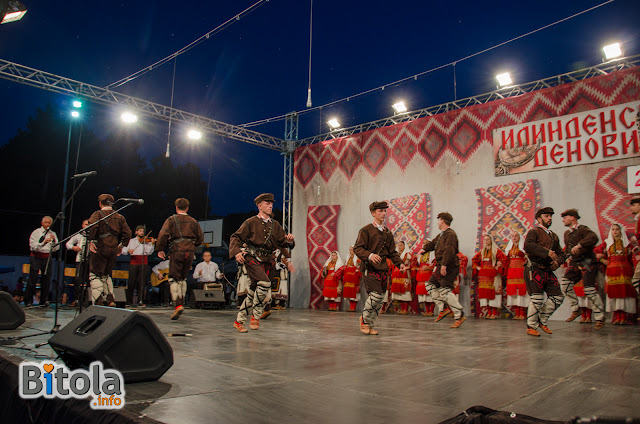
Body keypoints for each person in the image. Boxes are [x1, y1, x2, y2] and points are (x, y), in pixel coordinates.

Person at [230, 193, 295, 333]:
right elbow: (235, 237)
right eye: (267, 203)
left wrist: (289, 240)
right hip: (253, 259)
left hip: (268, 262)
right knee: (265, 283)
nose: (270, 206)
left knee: (253, 292)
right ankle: (255, 316)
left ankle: (238, 321)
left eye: (271, 204)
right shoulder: (251, 222)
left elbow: (282, 243)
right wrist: (236, 252)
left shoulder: (275, 225)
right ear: (259, 206)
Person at [354, 201, 407, 335]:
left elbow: (392, 252)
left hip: (383, 269)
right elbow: (357, 248)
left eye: (384, 211)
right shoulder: (366, 230)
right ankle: (364, 320)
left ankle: (370, 325)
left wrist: (399, 263)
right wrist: (370, 255)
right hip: (369, 268)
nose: (383, 213)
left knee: (380, 299)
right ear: (373, 213)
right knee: (376, 295)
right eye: (380, 211)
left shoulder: (387, 232)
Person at [156, 198, 204, 320]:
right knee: (183, 277)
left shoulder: (172, 219)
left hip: (177, 250)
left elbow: (163, 234)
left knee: (173, 278)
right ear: (187, 208)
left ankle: (177, 304)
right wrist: (193, 246)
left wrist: (160, 249)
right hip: (190, 251)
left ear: (176, 207)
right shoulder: (193, 221)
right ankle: (181, 301)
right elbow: (200, 238)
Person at [523, 207, 565, 337]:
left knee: (558, 296)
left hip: (547, 270)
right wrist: (546, 252)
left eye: (550, 216)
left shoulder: (553, 236)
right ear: (539, 218)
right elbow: (528, 245)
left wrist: (558, 262)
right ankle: (531, 326)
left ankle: (542, 320)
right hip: (534, 268)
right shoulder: (534, 232)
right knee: (537, 299)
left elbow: (562, 253)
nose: (550, 218)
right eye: (547, 216)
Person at [560, 208, 604, 329]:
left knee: (589, 290)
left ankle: (599, 317)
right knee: (565, 284)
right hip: (575, 263)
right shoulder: (567, 234)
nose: (563, 220)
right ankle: (576, 309)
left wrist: (580, 245)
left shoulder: (583, 229)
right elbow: (568, 250)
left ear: (573, 218)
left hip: (587, 262)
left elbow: (593, 238)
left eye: (565, 217)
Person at [420, 212, 466, 328]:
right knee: (430, 285)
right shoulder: (442, 235)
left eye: (439, 220)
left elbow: (449, 250)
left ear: (443, 221)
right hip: (441, 265)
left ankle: (459, 315)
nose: (438, 222)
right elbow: (432, 244)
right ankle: (443, 308)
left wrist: (444, 265)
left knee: (445, 290)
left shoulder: (450, 234)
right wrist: (424, 250)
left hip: (449, 266)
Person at [88, 194, 132, 307]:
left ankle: (98, 301)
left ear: (100, 203)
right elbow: (128, 233)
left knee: (95, 274)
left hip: (101, 247)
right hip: (113, 248)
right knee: (106, 275)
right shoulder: (119, 217)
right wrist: (121, 246)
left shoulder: (98, 214)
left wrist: (90, 241)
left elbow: (92, 227)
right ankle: (110, 299)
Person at [598, 223, 636, 324]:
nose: (615, 231)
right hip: (612, 272)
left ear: (621, 231)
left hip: (625, 272)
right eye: (613, 229)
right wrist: (603, 260)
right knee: (614, 293)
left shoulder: (627, 244)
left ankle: (623, 317)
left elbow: (634, 255)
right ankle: (616, 317)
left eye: (617, 229)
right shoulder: (607, 243)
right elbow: (595, 253)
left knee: (624, 294)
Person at [25, 216, 59, 307]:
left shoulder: (53, 233)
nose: (47, 224)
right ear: (42, 223)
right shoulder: (36, 232)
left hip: (47, 257)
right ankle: (28, 300)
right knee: (33, 278)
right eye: (46, 222)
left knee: (46, 279)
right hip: (36, 256)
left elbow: (56, 248)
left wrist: (54, 240)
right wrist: (43, 242)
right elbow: (33, 246)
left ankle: (43, 301)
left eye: (49, 223)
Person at [472, 235, 506, 319]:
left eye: (487, 240)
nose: (486, 241)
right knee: (485, 294)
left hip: (493, 275)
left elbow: (504, 259)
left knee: (493, 294)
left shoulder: (495, 250)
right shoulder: (482, 252)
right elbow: (474, 260)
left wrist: (499, 264)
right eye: (484, 240)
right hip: (484, 276)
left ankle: (494, 313)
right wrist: (477, 267)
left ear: (491, 241)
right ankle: (488, 312)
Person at [121, 225, 155, 307]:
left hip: (144, 262)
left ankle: (141, 300)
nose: (142, 232)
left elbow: (149, 252)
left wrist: (152, 245)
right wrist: (128, 250)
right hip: (134, 262)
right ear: (136, 232)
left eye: (143, 231)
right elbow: (123, 250)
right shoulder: (131, 241)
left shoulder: (147, 241)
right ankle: (129, 301)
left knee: (142, 282)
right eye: (140, 231)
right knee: (131, 282)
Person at [503, 232, 529, 320]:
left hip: (521, 270)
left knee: (521, 291)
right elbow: (506, 259)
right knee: (513, 292)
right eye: (512, 236)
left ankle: (522, 313)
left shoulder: (524, 248)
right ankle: (517, 313)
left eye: (516, 236)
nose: (514, 237)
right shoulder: (509, 248)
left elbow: (528, 258)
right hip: (512, 271)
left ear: (519, 237)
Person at [65, 219, 89, 306]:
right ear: (82, 225)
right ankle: (76, 299)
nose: (87, 226)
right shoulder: (79, 235)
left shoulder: (93, 235)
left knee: (90, 281)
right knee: (78, 280)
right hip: (80, 260)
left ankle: (87, 300)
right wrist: (74, 248)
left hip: (90, 261)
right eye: (86, 224)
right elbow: (68, 244)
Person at [390, 241, 413, 314]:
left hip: (404, 274)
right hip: (397, 275)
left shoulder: (408, 255)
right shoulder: (397, 255)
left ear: (404, 246)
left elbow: (412, 265)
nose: (399, 247)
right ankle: (402, 308)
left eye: (401, 245)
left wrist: (407, 268)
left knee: (405, 291)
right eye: (399, 245)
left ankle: (405, 309)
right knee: (399, 293)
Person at [340, 246, 362, 312]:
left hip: (354, 277)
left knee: (354, 292)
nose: (350, 251)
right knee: (349, 292)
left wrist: (358, 270)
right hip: (348, 277)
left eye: (352, 250)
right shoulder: (348, 258)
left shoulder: (358, 258)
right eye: (350, 250)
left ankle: (353, 307)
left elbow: (362, 266)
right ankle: (351, 307)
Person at [416, 251, 436, 316]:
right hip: (422, 277)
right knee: (424, 296)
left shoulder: (434, 254)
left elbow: (436, 266)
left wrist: (429, 268)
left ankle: (431, 311)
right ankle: (427, 311)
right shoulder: (421, 254)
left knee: (430, 294)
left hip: (429, 276)